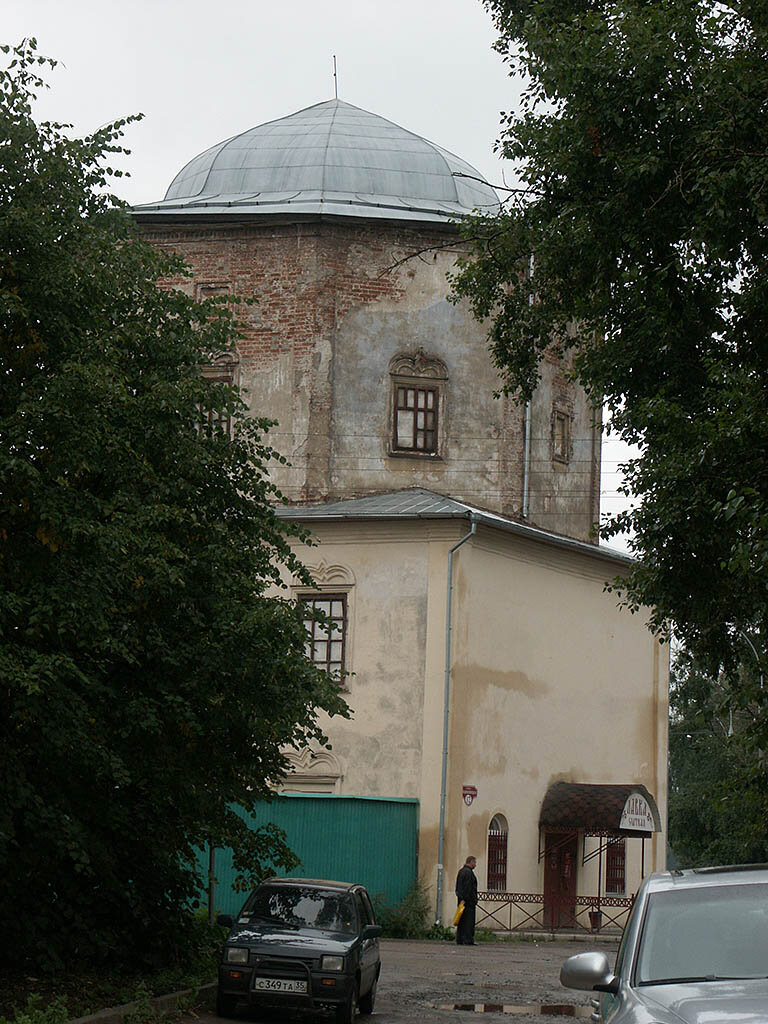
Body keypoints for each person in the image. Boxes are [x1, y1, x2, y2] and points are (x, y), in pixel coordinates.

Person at [455, 855, 478, 945]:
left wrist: (461, 898)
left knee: (461, 921)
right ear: (471, 862)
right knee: (468, 921)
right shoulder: (469, 873)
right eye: (475, 862)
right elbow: (468, 888)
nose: (475, 865)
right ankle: (468, 939)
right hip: (468, 902)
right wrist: (467, 899)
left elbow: (458, 887)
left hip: (462, 901)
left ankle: (460, 939)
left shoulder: (461, 872)